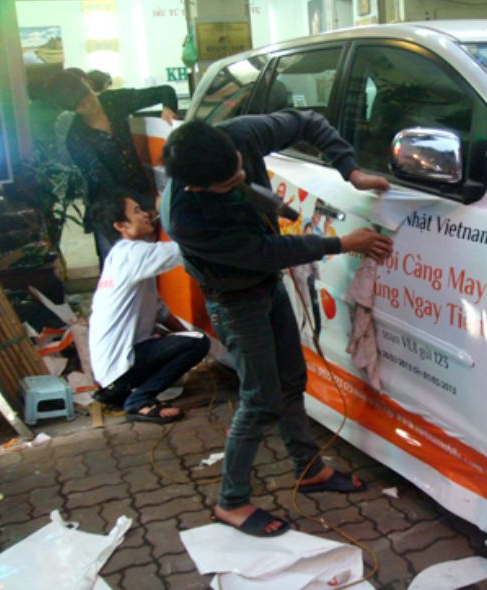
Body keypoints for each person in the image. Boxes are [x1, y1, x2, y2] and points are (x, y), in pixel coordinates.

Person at [161, 110, 393, 537]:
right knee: (261, 400)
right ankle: (231, 502)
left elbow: (309, 122)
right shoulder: (186, 219)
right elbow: (265, 252)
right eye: (230, 184)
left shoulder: (240, 134)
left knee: (291, 380)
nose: (242, 181)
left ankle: (308, 468)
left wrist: (351, 170)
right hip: (234, 299)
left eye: (241, 169)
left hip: (266, 285)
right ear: (197, 187)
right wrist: (340, 243)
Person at [88, 192, 210, 424]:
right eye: (136, 211)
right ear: (121, 225)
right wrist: (171, 212)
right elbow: (186, 250)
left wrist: (182, 339)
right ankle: (139, 400)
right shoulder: (132, 254)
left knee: (191, 341)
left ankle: (134, 393)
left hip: (111, 377)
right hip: (120, 372)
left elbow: (162, 313)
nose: (145, 214)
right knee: (199, 342)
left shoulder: (120, 257)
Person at [47, 70, 178, 266]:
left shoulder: (113, 101)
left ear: (89, 86)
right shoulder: (77, 138)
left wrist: (168, 108)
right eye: (80, 105)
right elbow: (107, 185)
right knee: (120, 265)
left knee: (148, 263)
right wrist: (151, 201)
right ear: (73, 110)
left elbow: (164, 91)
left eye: (87, 96)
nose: (89, 105)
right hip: (111, 210)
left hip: (140, 199)